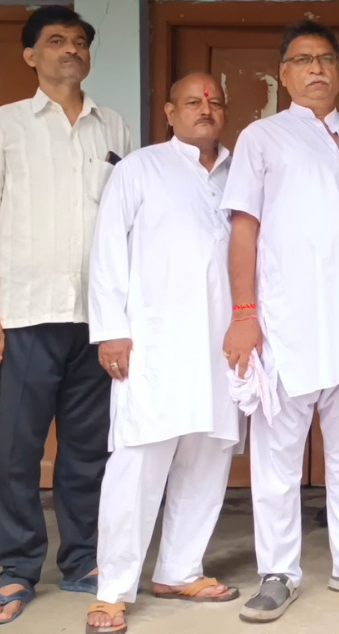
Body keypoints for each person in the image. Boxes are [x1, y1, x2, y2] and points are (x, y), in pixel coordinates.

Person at [221, 20, 339, 621]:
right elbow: (243, 227)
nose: (317, 69)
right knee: (278, 454)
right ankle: (277, 571)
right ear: (284, 74)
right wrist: (244, 314)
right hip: (288, 323)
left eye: (326, 58)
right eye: (303, 60)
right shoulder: (262, 137)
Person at [0, 5, 133, 625]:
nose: (71, 50)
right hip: (25, 316)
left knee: (89, 451)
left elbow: (129, 222)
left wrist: (126, 316)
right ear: (31, 55)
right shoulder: (4, 126)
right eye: (57, 41)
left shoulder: (113, 126)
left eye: (79, 41)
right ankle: (17, 569)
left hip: (96, 319)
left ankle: (83, 559)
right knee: (20, 451)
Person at [83, 75, 241, 634]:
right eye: (193, 102)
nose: (205, 109)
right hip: (153, 343)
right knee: (137, 466)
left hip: (223, 343)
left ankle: (179, 570)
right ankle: (112, 590)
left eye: (214, 101)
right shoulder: (140, 169)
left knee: (209, 455)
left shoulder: (242, 173)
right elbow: (106, 252)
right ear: (170, 112)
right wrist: (111, 331)